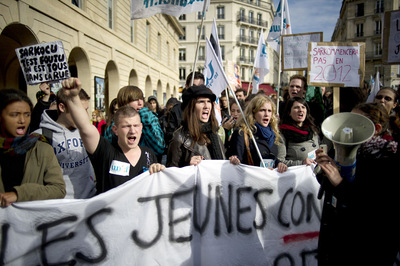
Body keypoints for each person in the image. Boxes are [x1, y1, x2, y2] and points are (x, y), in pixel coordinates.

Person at [316, 102, 400, 266]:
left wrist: (340, 183)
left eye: (354, 121)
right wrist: (324, 170)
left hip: (367, 246)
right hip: (337, 239)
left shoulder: (389, 158)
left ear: (374, 128)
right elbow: (328, 190)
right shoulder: (340, 148)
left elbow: (374, 206)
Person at [60, 78, 165, 194]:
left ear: (141, 128)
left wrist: (159, 171)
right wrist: (72, 98)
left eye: (136, 126)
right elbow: (85, 128)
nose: (132, 131)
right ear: (115, 129)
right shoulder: (106, 152)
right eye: (126, 126)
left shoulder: (149, 154)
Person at [0, 88, 65, 207]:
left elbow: (58, 190)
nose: (22, 120)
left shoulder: (42, 148)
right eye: (14, 115)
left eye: (27, 114)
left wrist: (19, 194)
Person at [33, 88, 96, 199]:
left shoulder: (87, 131)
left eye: (86, 110)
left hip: (90, 201)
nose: (85, 115)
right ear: (62, 107)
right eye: (79, 110)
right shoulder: (40, 137)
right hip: (60, 206)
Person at [167, 85, 226, 167]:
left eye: (209, 101)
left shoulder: (215, 134)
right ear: (191, 107)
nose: (206, 106)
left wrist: (232, 162)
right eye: (201, 102)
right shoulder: (179, 138)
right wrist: (188, 165)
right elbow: (171, 173)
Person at [227, 95, 288, 173]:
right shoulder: (242, 133)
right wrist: (234, 160)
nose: (266, 114)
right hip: (250, 182)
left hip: (269, 182)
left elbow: (272, 158)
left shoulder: (274, 134)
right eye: (262, 110)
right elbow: (237, 163)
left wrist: (279, 164)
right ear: (253, 112)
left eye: (269, 111)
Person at [117, 85, 165, 157]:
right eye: (135, 99)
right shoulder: (116, 120)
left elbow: (159, 147)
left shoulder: (150, 117)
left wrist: (145, 120)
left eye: (141, 99)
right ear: (125, 102)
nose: (140, 103)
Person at [278, 97, 321, 166]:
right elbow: (280, 161)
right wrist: (302, 163)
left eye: (303, 107)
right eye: (296, 107)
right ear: (289, 112)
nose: (301, 110)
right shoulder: (283, 133)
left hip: (316, 174)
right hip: (298, 174)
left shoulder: (312, 129)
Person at [165, 72, 205, 146]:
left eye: (200, 87)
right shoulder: (176, 110)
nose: (197, 90)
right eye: (193, 86)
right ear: (186, 86)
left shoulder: (206, 109)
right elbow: (170, 136)